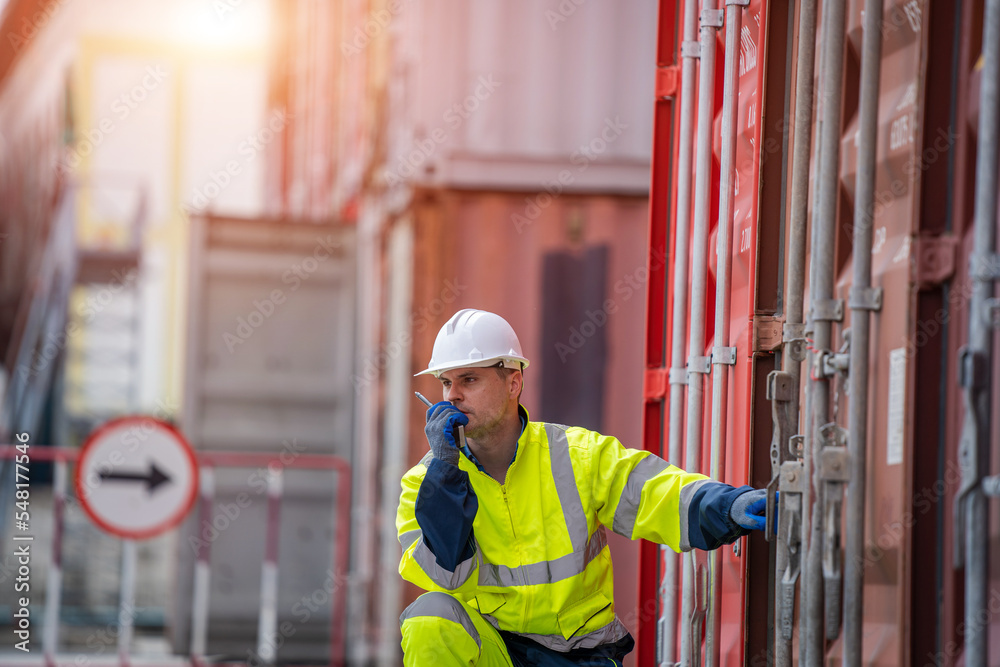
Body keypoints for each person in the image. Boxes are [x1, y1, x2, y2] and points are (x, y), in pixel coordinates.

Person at [397, 309, 768, 666]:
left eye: (469, 379)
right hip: (497, 653)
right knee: (430, 617)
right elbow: (443, 576)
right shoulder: (424, 484)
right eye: (446, 382)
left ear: (513, 382)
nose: (452, 396)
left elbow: (656, 491)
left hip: (580, 656)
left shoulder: (574, 456)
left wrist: (729, 505)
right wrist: (445, 472)